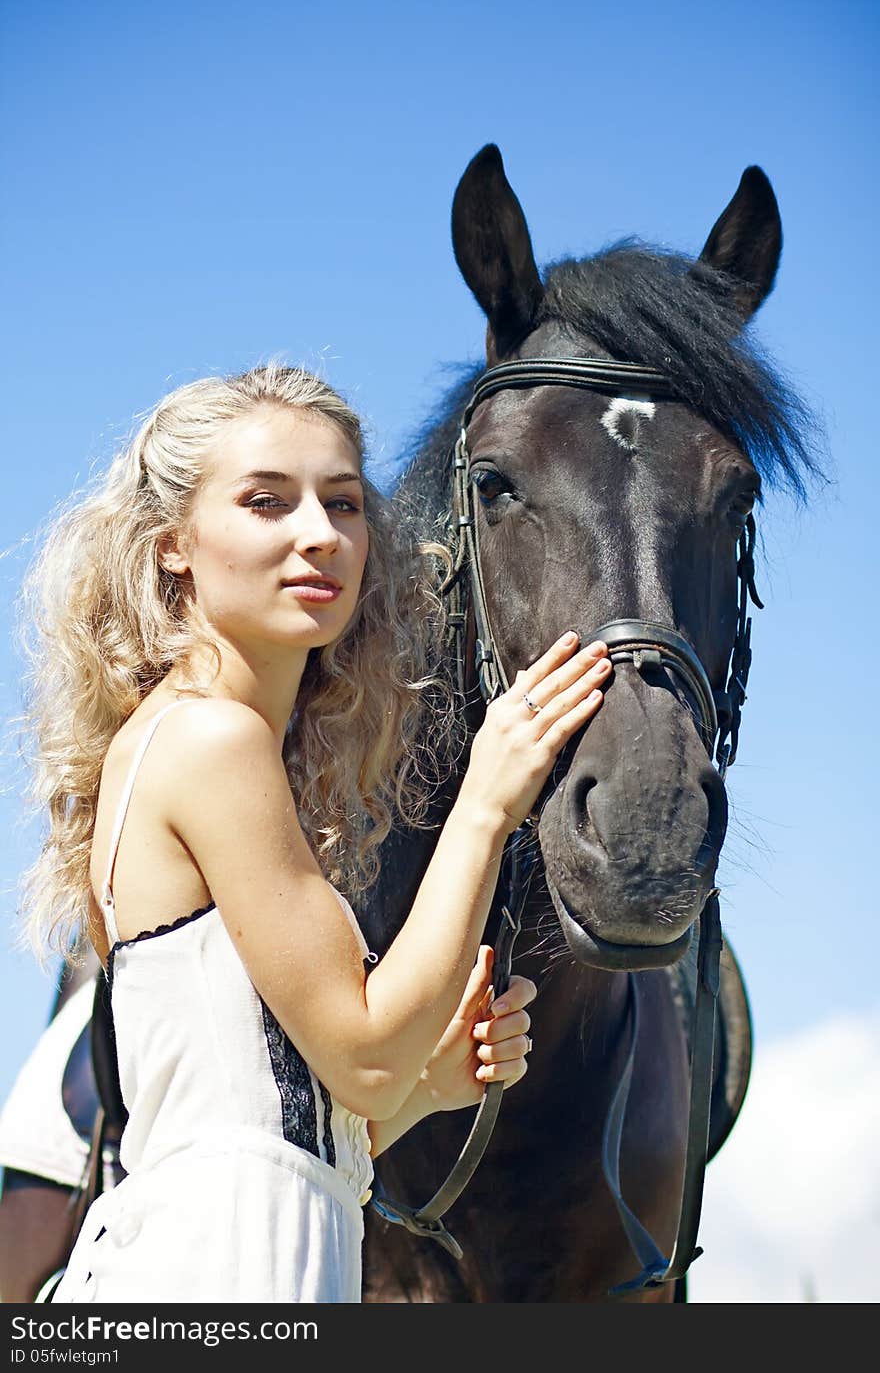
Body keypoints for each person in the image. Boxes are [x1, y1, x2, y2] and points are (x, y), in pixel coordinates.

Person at [9, 362, 611, 1303]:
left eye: (342, 504)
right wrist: (488, 800)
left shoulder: (222, 746)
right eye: (265, 502)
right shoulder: (212, 737)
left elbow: (289, 1128)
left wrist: (433, 1083)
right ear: (174, 545)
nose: (318, 535)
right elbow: (365, 1056)